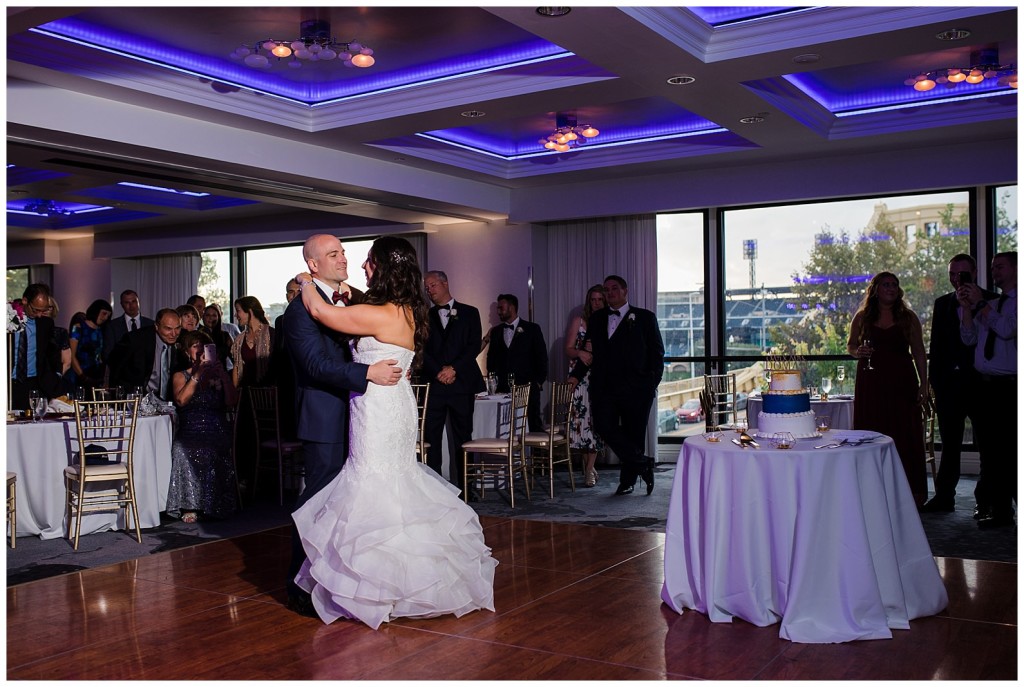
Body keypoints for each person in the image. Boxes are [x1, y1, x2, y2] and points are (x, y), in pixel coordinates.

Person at [291, 235, 497, 628]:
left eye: (369, 261)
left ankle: (379, 587)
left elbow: (321, 312)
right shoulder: (404, 309)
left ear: (383, 268)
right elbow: (349, 304)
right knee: (393, 483)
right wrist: (341, 289)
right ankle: (394, 581)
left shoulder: (380, 313)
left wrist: (304, 282)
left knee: (375, 484)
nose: (362, 265)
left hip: (379, 406)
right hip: (390, 403)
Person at [281, 233, 403, 618]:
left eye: (344, 252)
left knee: (348, 507)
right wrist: (368, 371)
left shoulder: (349, 300)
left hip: (362, 418)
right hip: (324, 420)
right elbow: (316, 366)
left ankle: (341, 583)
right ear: (313, 265)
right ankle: (298, 584)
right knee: (318, 502)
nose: (343, 259)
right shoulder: (299, 312)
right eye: (333, 254)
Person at [570, 276, 664, 496]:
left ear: (625, 291)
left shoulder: (645, 317)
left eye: (614, 289)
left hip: (637, 389)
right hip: (604, 387)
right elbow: (589, 352)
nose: (609, 293)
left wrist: (651, 384)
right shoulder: (597, 318)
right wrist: (576, 376)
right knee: (604, 426)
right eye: (607, 289)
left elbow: (657, 354)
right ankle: (643, 463)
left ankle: (627, 481)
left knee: (634, 435)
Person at [921, 254, 997, 514]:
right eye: (952, 274)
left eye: (962, 274)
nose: (956, 279)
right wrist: (934, 382)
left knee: (988, 444)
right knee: (950, 444)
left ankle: (986, 499)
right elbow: (937, 346)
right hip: (949, 385)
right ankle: (944, 496)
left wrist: (973, 305)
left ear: (974, 273)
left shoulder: (992, 300)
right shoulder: (942, 303)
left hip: (983, 384)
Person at [847, 271, 929, 506]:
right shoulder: (862, 317)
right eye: (886, 285)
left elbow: (919, 352)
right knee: (873, 429)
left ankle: (910, 493)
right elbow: (851, 345)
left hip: (901, 381)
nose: (892, 288)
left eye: (895, 284)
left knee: (905, 432)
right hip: (870, 381)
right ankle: (870, 490)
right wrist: (857, 352)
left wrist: (924, 383)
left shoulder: (908, 317)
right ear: (875, 290)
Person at [957, 251, 1017, 529]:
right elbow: (969, 338)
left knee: (1012, 452)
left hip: (1012, 387)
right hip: (986, 388)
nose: (995, 272)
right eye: (992, 267)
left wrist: (981, 304)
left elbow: (1006, 329)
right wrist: (968, 309)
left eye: (1000, 267)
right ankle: (1001, 511)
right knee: (992, 452)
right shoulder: (990, 303)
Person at [165, 330, 239, 524]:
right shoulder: (180, 376)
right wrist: (197, 374)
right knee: (182, 450)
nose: (199, 350)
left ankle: (214, 502)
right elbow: (181, 400)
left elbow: (232, 401)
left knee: (214, 449)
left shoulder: (219, 375)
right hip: (190, 429)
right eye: (194, 345)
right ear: (187, 352)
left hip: (217, 426)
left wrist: (222, 375)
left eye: (203, 346)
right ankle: (190, 504)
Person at [422, 270, 486, 492]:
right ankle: (435, 488)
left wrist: (454, 368)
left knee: (463, 436)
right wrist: (439, 371)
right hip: (435, 385)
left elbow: (473, 346)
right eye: (427, 287)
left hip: (462, 385)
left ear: (445, 283)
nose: (429, 290)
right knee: (431, 437)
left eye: (433, 285)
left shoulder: (470, 312)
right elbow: (421, 349)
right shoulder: (424, 316)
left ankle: (467, 487)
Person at [485, 293, 548, 431]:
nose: (497, 312)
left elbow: (542, 357)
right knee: (503, 425)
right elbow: (491, 359)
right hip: (502, 389)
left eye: (501, 308)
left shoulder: (532, 329)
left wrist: (538, 382)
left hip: (528, 387)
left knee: (532, 424)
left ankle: (535, 453)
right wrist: (493, 382)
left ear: (512, 307)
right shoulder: (496, 331)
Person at [565, 284, 607, 487]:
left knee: (596, 424)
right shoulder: (579, 321)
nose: (597, 303)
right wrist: (580, 352)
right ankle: (589, 466)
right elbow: (568, 349)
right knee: (581, 426)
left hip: (600, 377)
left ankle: (589, 468)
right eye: (593, 299)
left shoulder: (610, 321)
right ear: (589, 301)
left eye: (600, 299)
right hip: (579, 379)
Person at [107, 308, 183, 402]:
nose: (174, 334)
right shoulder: (135, 340)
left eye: (177, 328)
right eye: (168, 329)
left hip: (166, 402)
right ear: (156, 326)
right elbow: (114, 364)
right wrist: (117, 397)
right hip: (134, 399)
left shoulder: (182, 340)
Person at [10, 283, 63, 410]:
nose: (39, 315)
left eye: (43, 310)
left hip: (33, 382)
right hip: (8, 381)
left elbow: (51, 353)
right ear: (25, 301)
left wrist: (55, 376)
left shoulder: (46, 324)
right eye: (36, 310)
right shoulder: (8, 319)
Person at [271, 279, 302, 438]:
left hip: (306, 379)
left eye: (299, 291)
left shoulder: (316, 317)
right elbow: (277, 352)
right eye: (291, 292)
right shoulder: (280, 321)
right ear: (287, 296)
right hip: (285, 380)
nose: (295, 295)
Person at [230, 296, 275, 389]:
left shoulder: (272, 334)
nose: (235, 315)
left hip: (266, 393)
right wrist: (235, 392)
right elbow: (236, 367)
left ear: (249, 311)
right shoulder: (239, 339)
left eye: (238, 310)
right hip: (245, 392)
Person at [68, 299, 113, 391]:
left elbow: (100, 355)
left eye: (108, 315)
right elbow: (71, 355)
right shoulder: (78, 327)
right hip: (79, 375)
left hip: (96, 376)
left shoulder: (102, 330)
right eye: (104, 313)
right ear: (96, 310)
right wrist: (82, 376)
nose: (105, 317)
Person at [102, 289, 154, 366]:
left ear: (138, 302)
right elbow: (108, 354)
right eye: (127, 302)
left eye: (134, 301)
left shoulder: (151, 324)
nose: (131, 305)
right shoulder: (112, 326)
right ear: (122, 304)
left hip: (147, 373)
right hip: (121, 373)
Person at [47, 296, 74, 387]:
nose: (45, 310)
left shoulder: (60, 332)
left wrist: (56, 378)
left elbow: (67, 362)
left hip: (55, 378)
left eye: (49, 307)